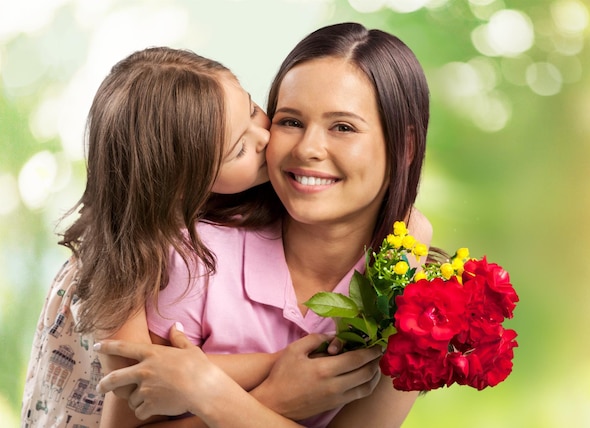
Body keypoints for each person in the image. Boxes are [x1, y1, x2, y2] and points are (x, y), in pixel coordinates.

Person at [21, 46, 382, 428]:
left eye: (253, 109)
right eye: (240, 148)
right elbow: (141, 384)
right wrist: (277, 378)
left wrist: (203, 381)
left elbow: (412, 222)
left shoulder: (242, 203)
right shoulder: (121, 259)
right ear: (182, 181)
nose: (266, 138)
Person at [98, 22, 433, 427]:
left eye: (342, 127)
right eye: (290, 121)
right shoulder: (195, 257)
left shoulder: (414, 295)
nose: (308, 148)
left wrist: (208, 389)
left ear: (407, 146)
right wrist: (280, 396)